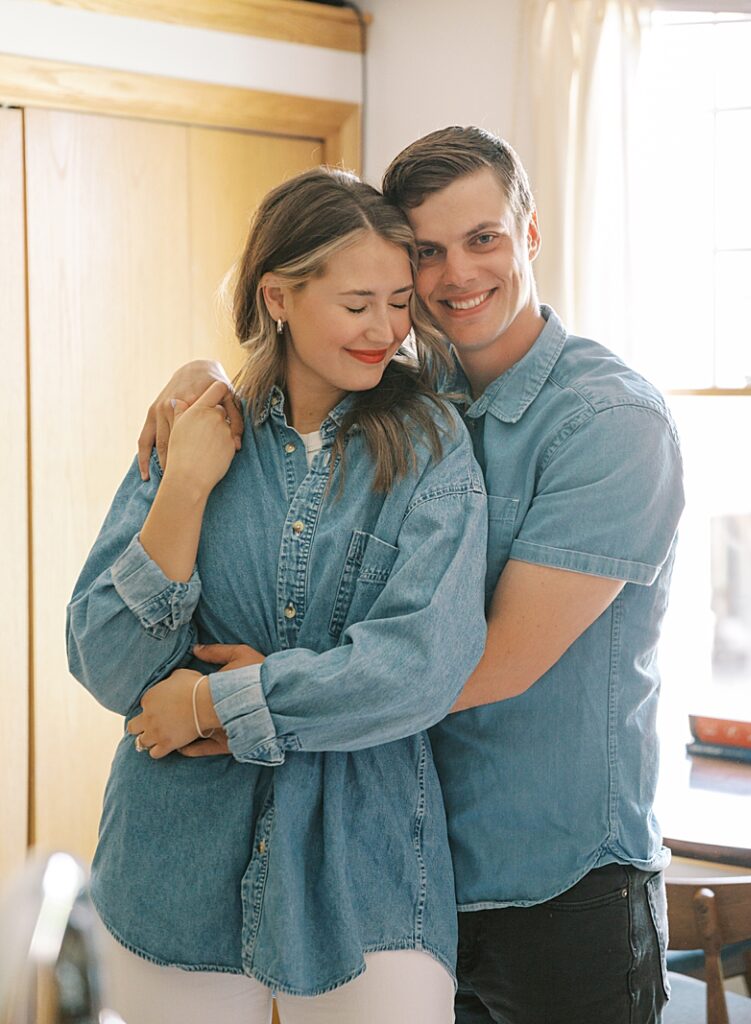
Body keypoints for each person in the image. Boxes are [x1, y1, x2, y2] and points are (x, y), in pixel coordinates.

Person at [141, 127, 685, 1024]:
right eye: (426, 252)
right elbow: (292, 353)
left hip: (560, 887)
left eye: (484, 239)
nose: (456, 275)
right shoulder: (403, 395)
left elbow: (491, 661)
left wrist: (247, 701)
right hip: (399, 875)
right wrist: (202, 379)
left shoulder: (609, 423)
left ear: (532, 235)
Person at [67, 166, 489, 1024]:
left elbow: (418, 666)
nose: (386, 330)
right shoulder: (193, 424)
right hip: (172, 875)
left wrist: (211, 704)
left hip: (362, 869)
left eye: (400, 301)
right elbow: (107, 662)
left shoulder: (429, 444)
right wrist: (184, 489)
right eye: (358, 302)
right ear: (280, 296)